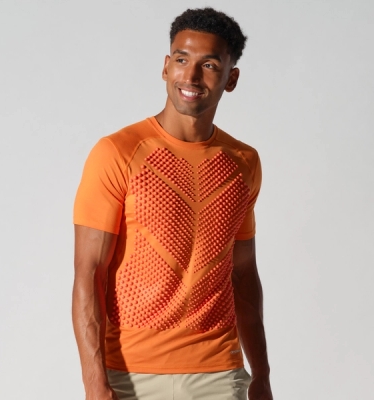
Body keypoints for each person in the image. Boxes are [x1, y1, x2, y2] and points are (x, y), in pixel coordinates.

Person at [73, 7, 273, 400]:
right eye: (182, 60)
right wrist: (95, 385)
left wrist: (261, 376)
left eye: (209, 65)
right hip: (129, 373)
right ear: (166, 67)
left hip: (219, 372)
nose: (191, 77)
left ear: (231, 78)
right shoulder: (117, 152)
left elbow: (243, 273)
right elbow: (89, 274)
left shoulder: (244, 162)